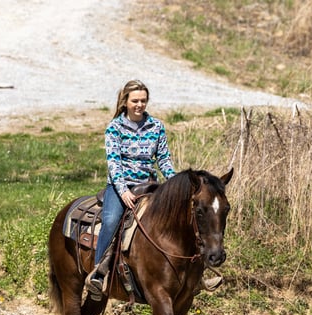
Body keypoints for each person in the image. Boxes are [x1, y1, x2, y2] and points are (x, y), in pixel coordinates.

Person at [85, 79, 222, 300]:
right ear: (125, 101)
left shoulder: (156, 126)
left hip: (151, 185)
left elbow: (164, 160)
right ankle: (99, 273)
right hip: (123, 187)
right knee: (110, 220)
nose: (140, 105)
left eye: (143, 100)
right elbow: (114, 163)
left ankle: (197, 275)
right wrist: (123, 191)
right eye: (135, 101)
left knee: (183, 220)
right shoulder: (114, 128)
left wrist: (179, 185)